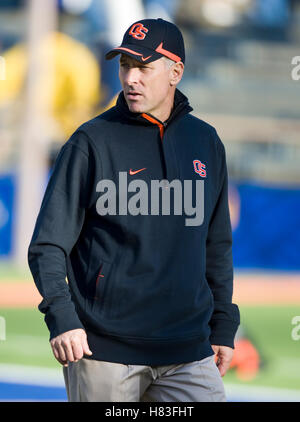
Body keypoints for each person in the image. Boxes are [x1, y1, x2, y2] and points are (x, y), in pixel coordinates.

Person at [28, 18, 240, 402]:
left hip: (188, 352)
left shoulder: (206, 142)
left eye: (143, 67)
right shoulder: (89, 141)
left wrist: (223, 324)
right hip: (104, 352)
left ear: (176, 71)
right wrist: (62, 318)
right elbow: (47, 245)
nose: (131, 78)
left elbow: (217, 245)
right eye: (125, 65)